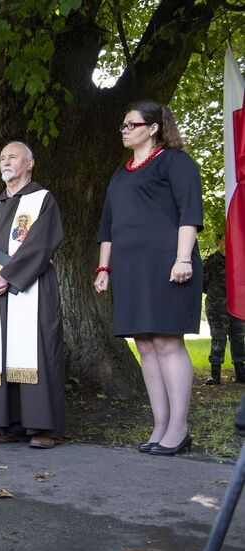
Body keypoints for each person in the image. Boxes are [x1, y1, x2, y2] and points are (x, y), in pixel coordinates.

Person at [95, 101, 203, 457]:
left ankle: (179, 428)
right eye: (122, 125)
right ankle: (160, 424)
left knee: (167, 342)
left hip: (168, 264)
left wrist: (183, 258)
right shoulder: (119, 174)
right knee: (144, 344)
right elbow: (107, 227)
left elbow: (190, 212)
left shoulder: (175, 161)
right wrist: (103, 269)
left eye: (131, 124)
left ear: (153, 127)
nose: (124, 130)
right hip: (129, 270)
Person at [0, 141, 65, 450]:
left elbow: (40, 245)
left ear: (30, 163)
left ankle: (41, 427)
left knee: (37, 351)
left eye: (13, 157)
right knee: (1, 353)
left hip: (33, 289)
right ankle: (4, 424)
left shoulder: (41, 200)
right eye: (2, 157)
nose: (6, 162)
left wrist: (6, 277)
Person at [202, 233, 245, 385]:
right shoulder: (211, 261)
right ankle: (215, 374)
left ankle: (241, 373)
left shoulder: (240, 259)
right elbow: (203, 284)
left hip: (238, 307)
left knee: (239, 339)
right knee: (218, 339)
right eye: (224, 240)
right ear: (218, 242)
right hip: (217, 308)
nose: (228, 244)